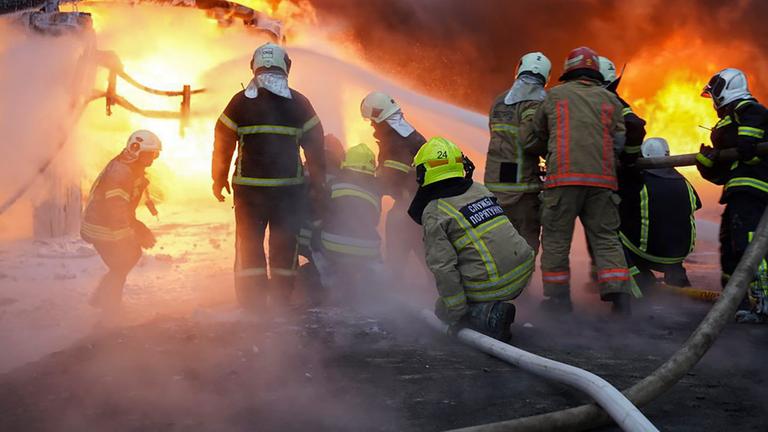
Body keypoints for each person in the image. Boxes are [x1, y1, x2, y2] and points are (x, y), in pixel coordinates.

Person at [212, 42, 325, 311]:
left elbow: (222, 143)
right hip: (289, 191)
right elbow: (316, 146)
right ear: (285, 67)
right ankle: (281, 299)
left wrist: (218, 178)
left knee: (249, 243)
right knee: (285, 244)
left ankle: (253, 303)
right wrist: (319, 185)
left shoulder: (240, 102)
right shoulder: (300, 103)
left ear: (254, 66)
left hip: (249, 191)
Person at [524, 46, 636, 315]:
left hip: (563, 180)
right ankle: (619, 295)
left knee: (555, 239)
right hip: (603, 182)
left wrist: (544, 150)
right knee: (606, 237)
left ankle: (558, 300)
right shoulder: (610, 100)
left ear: (568, 71)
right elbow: (620, 140)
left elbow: (532, 138)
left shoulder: (554, 97)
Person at [408, 137, 535, 341]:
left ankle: (487, 314)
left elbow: (443, 266)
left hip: (496, 283)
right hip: (524, 268)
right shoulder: (479, 188)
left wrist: (456, 313)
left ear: (423, 173)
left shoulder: (434, 212)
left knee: (444, 307)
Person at [697, 68, 768, 323]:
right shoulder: (731, 124)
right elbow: (722, 174)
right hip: (737, 192)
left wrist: (746, 139)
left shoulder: (748, 109)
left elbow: (756, 123)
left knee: (749, 246)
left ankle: (763, 303)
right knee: (730, 247)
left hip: (755, 190)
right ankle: (733, 302)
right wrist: (706, 163)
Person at [81, 130, 162, 310]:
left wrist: (136, 227)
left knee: (126, 259)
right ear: (136, 150)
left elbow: (124, 207)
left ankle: (105, 300)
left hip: (106, 223)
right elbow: (115, 208)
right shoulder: (120, 172)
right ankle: (108, 305)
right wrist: (127, 236)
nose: (153, 159)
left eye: (155, 154)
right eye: (150, 154)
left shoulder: (131, 167)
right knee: (124, 260)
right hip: (101, 226)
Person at [485, 52, 551, 253]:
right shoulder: (536, 102)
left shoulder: (500, 100)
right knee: (526, 241)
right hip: (522, 189)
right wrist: (549, 149)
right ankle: (521, 283)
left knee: (498, 239)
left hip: (495, 184)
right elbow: (529, 140)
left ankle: (501, 281)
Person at [619, 137, 701, 290]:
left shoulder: (637, 182)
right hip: (677, 255)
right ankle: (676, 276)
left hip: (646, 254)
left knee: (611, 230)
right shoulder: (684, 182)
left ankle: (640, 279)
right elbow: (696, 205)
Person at [360, 92, 426, 275]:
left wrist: (359, 180)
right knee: (425, 256)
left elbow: (390, 181)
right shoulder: (408, 135)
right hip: (420, 207)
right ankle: (433, 292)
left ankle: (394, 289)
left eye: (372, 121)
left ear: (380, 118)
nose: (372, 125)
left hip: (408, 210)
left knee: (397, 252)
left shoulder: (396, 142)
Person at [320, 143, 383, 297]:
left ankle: (327, 277)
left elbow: (322, 212)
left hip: (334, 244)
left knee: (317, 237)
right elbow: (374, 221)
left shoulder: (333, 184)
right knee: (375, 264)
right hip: (368, 247)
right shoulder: (376, 191)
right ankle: (373, 280)